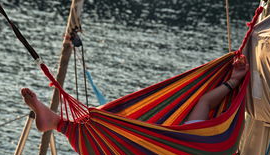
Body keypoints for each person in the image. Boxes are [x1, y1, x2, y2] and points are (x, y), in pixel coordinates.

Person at [21, 54, 249, 132]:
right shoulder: (196, 132)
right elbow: (207, 101)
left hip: (170, 150)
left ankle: (56, 122)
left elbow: (207, 100)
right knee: (108, 124)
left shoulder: (201, 136)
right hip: (171, 144)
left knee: (107, 126)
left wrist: (235, 80)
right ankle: (56, 122)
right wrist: (234, 80)